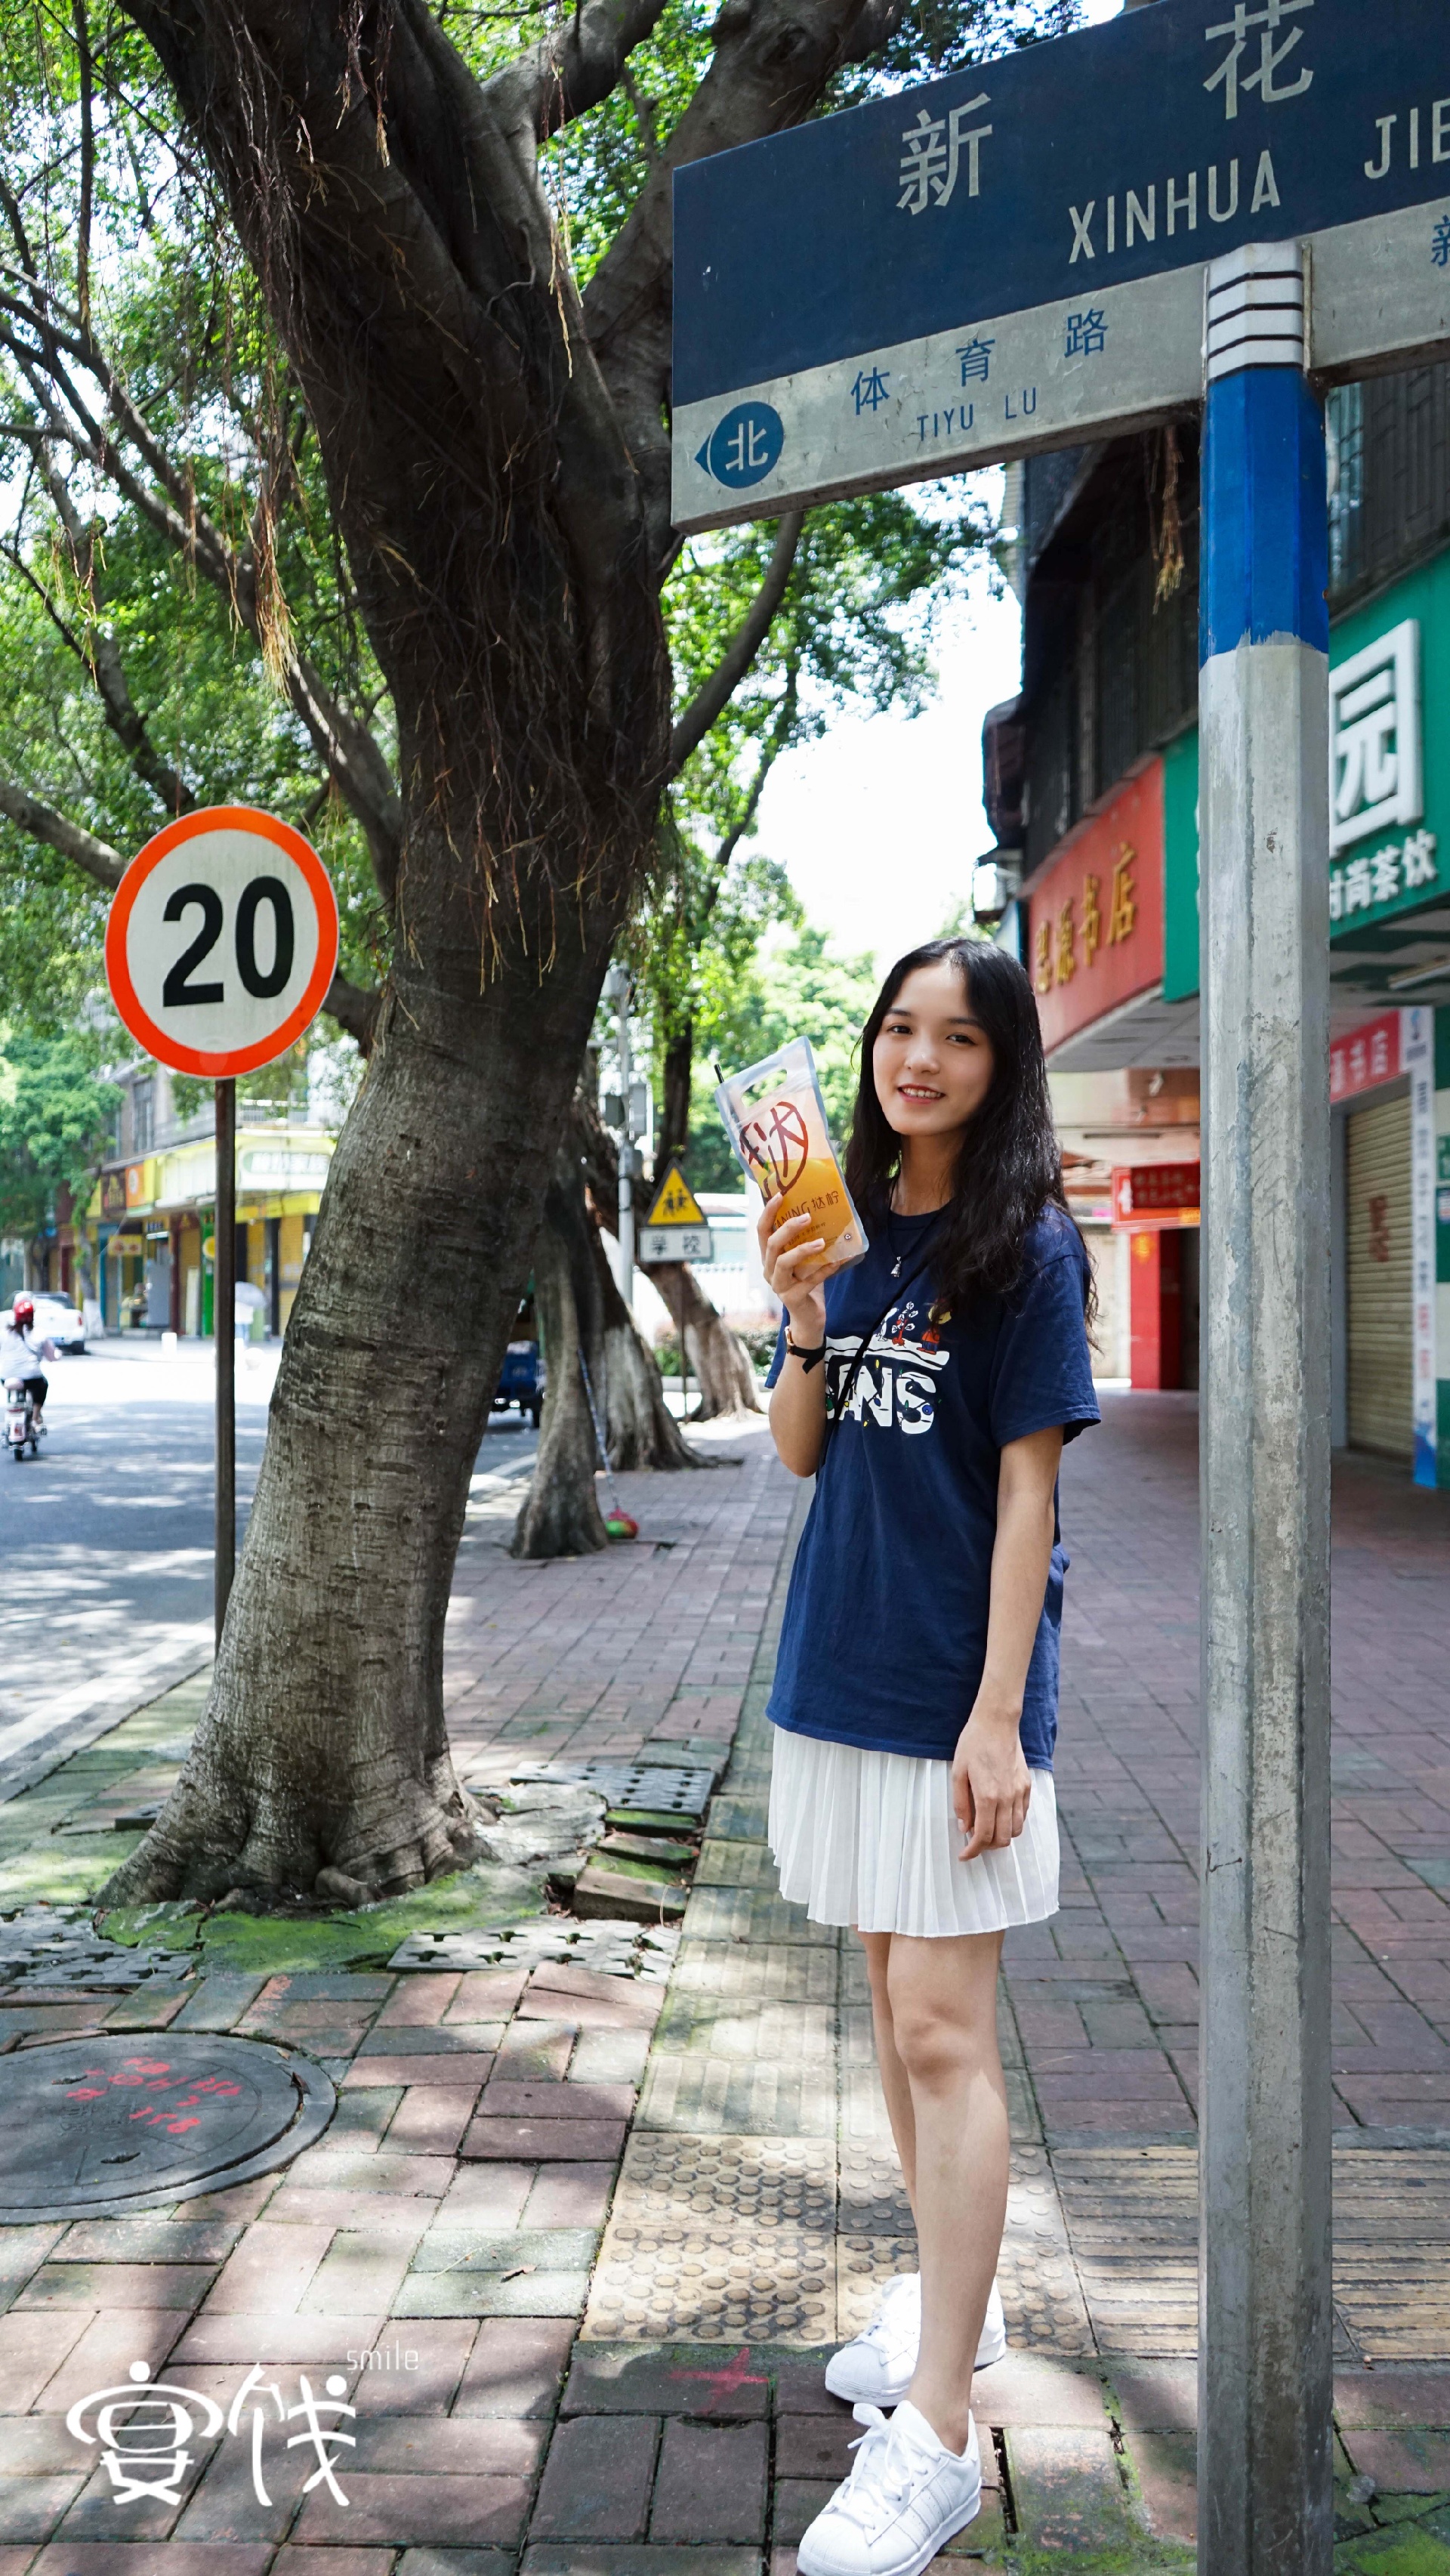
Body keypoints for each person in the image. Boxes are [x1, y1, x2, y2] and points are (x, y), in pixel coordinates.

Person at [758, 938, 1099, 2576]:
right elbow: (803, 1446)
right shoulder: (841, 1218)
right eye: (900, 1027)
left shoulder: (1027, 1244)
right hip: (843, 1661)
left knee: (944, 2030)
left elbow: (1030, 1493)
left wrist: (995, 1714)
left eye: (958, 1036)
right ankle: (936, 2303)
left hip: (954, 1689)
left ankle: (943, 2435)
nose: (920, 1057)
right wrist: (805, 1316)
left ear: (1000, 1063)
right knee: (897, 2020)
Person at [2, 1294, 50, 1429]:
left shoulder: (4, 1333)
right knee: (43, 1384)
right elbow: (52, 1356)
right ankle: (35, 1417)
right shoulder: (39, 1333)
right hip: (32, 1378)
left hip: (7, 1377)